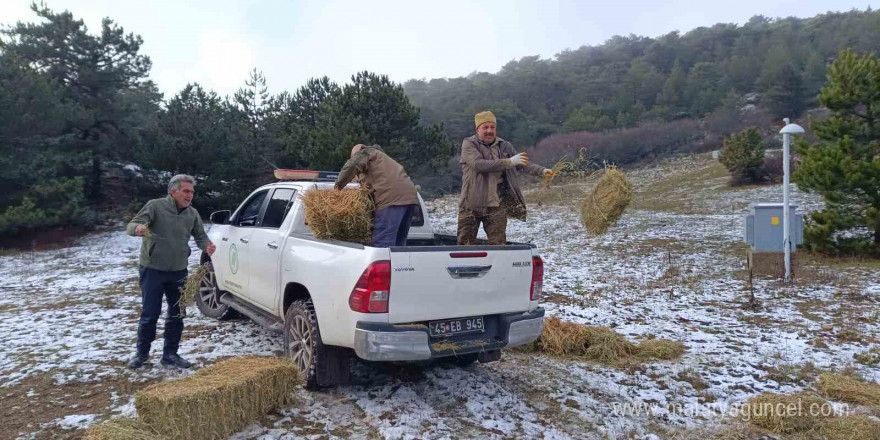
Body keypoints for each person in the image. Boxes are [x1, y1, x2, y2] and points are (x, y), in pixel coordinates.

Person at [125, 174, 215, 369]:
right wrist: (138, 228)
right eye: (186, 191)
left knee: (177, 313)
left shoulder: (192, 214)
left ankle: (170, 354)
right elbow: (131, 225)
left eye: (192, 192)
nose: (190, 195)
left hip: (178, 271)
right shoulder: (156, 206)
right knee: (150, 313)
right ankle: (141, 354)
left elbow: (200, 236)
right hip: (153, 269)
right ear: (173, 191)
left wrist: (207, 245)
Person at [458, 110, 555, 245]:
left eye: (492, 127)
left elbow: (521, 163)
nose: (489, 131)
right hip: (470, 204)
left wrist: (542, 171)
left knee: (499, 246)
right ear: (477, 129)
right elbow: (478, 164)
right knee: (465, 245)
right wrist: (509, 162)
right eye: (485, 127)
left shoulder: (504, 146)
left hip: (496, 205)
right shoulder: (469, 144)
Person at [335, 144, 419, 247]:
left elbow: (352, 165)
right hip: (410, 199)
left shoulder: (366, 153)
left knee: (383, 242)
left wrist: (338, 186)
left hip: (391, 199)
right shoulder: (383, 159)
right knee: (399, 243)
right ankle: (398, 263)